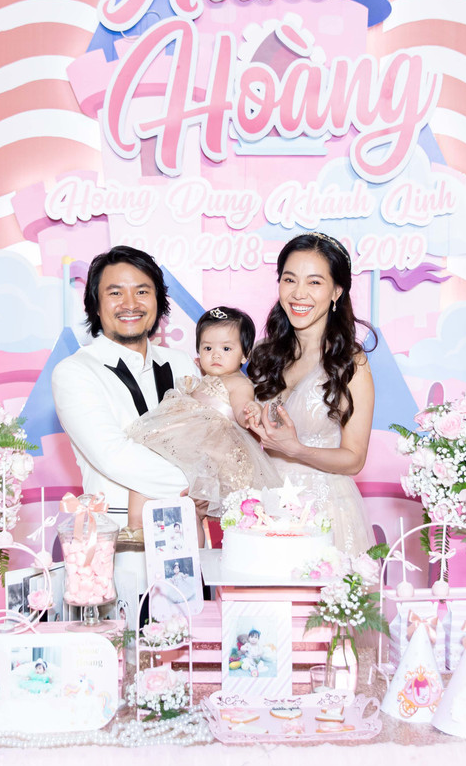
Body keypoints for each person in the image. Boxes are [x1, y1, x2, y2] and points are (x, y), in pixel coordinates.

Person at [52, 246, 201, 547]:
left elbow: (206, 441)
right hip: (117, 541)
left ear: (158, 301)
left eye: (142, 291)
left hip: (187, 533)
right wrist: (202, 484)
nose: (130, 304)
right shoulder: (75, 371)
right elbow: (113, 455)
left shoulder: (183, 364)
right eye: (115, 293)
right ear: (95, 305)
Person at [243, 232, 375, 554]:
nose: (299, 293)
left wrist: (296, 449)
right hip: (265, 509)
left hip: (324, 514)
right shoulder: (263, 355)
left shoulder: (350, 363)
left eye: (314, 282)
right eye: (290, 280)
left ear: (336, 291)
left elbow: (354, 459)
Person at [125, 306, 281, 522]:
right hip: (194, 451)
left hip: (217, 456)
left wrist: (249, 412)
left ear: (245, 355)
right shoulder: (200, 379)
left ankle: (184, 538)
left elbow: (241, 408)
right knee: (149, 474)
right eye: (207, 348)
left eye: (226, 348)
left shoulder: (238, 383)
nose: (216, 354)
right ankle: (135, 526)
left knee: (194, 510)